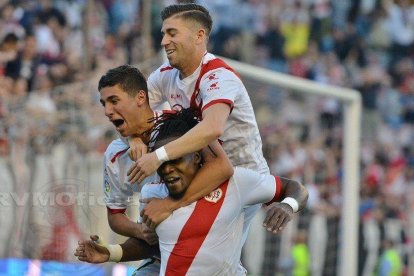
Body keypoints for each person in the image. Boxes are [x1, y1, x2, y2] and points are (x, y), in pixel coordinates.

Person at [126, 4, 288, 271]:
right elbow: (134, 111)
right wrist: (134, 138)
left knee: (208, 260)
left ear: (198, 36)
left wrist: (158, 156)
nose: (164, 40)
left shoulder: (218, 77)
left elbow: (212, 128)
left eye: (172, 33)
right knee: (169, 240)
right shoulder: (165, 75)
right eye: (163, 33)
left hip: (236, 181)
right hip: (196, 169)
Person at [75, 109, 309, 275]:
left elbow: (295, 188)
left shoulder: (236, 182)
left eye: (175, 160)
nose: (167, 169)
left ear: (197, 156)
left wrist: (288, 205)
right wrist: (110, 253)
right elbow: (155, 244)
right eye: (161, 162)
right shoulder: (152, 194)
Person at [98, 65, 233, 274]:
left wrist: (168, 205)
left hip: (207, 248)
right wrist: (141, 231)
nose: (107, 111)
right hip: (159, 255)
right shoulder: (115, 156)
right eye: (104, 104)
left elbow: (222, 166)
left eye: (114, 101)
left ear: (141, 98)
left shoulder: (178, 123)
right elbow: (115, 216)